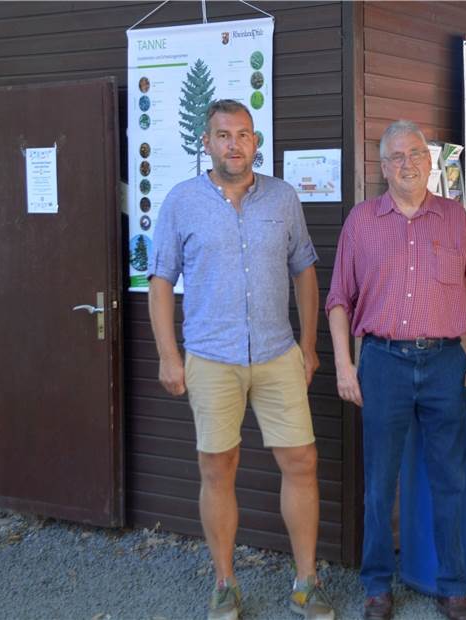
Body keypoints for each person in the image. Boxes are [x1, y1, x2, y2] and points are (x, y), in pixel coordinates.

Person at [148, 99, 334, 620]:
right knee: (218, 468)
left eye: (244, 134)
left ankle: (306, 581)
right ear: (205, 143)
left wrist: (311, 345)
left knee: (302, 462)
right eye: (224, 135)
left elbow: (304, 271)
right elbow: (160, 281)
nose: (235, 144)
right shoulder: (181, 201)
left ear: (256, 141)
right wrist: (169, 355)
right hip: (210, 356)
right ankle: (225, 583)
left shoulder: (283, 197)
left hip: (278, 353)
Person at [326, 120, 466, 620]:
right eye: (396, 156)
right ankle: (377, 585)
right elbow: (338, 300)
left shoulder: (455, 219)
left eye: (415, 153)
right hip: (382, 364)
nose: (407, 163)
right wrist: (343, 365)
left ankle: (452, 584)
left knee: (450, 478)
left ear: (430, 160)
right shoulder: (361, 222)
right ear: (382, 166)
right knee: (380, 481)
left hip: (444, 363)